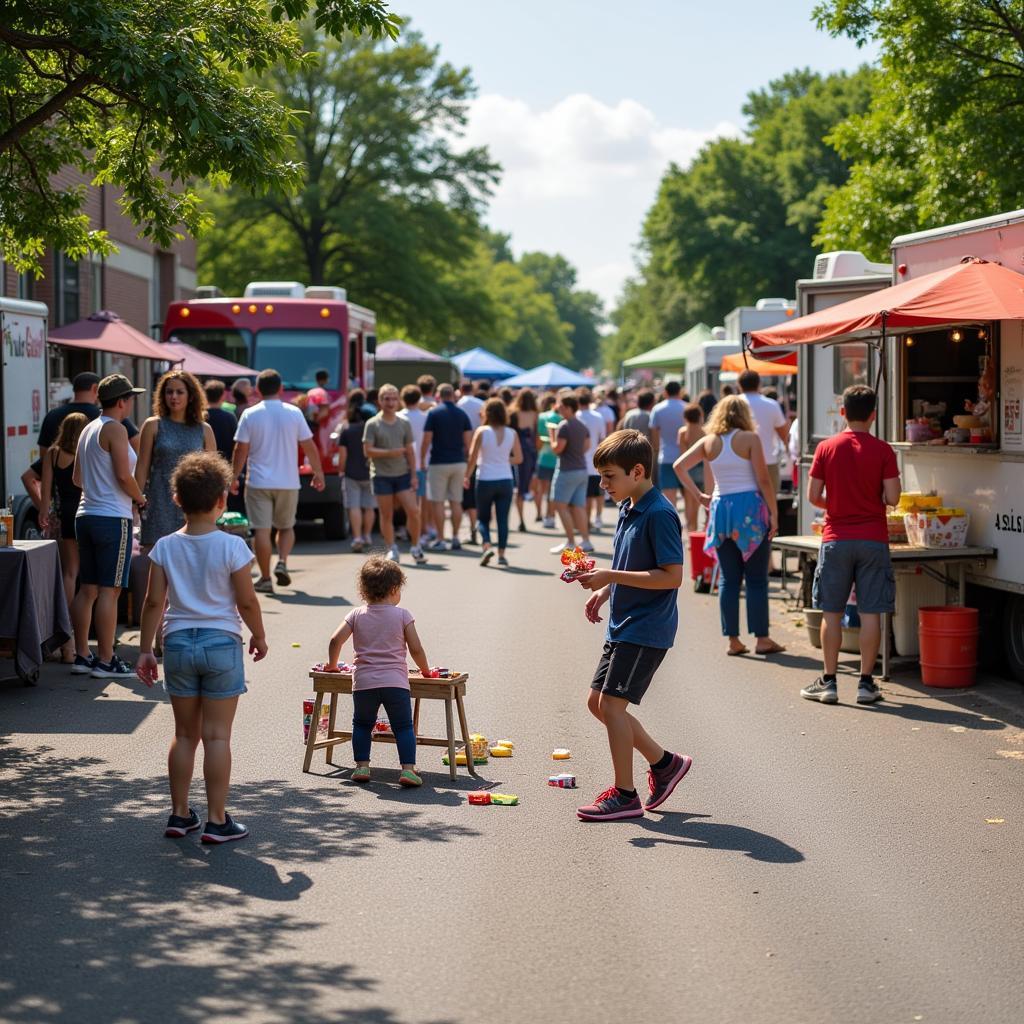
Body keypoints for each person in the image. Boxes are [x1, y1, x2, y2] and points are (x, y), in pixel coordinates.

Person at [136, 451, 267, 844]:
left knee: (184, 734)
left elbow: (153, 603)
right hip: (220, 644)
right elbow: (246, 601)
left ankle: (178, 815)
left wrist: (145, 649)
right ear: (222, 501)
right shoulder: (232, 548)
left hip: (177, 643)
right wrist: (259, 635)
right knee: (216, 737)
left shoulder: (164, 547)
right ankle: (215, 819)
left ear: (176, 499)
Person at [573, 429, 691, 821]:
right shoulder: (630, 505)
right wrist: (604, 590)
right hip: (624, 624)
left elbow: (671, 576)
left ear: (637, 471)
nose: (602, 484)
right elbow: (630, 563)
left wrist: (610, 577)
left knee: (611, 705)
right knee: (599, 704)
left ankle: (625, 795)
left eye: (609, 476)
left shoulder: (659, 513)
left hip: (646, 628)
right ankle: (665, 763)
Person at [801, 385, 901, 706]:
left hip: (836, 539)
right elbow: (893, 498)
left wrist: (837, 502)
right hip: (873, 539)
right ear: (874, 414)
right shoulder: (884, 451)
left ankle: (829, 681)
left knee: (833, 612)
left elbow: (813, 496)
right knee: (871, 612)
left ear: (842, 412)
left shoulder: (826, 448)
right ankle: (866, 684)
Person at [674, 395, 785, 658]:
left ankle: (733, 640)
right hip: (749, 508)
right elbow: (763, 479)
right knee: (757, 578)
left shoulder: (709, 441)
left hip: (721, 509)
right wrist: (774, 513)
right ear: (744, 414)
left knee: (728, 578)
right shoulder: (750, 438)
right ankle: (762, 638)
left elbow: (679, 466)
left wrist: (699, 494)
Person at [326, 556, 430, 788]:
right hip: (395, 683)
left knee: (362, 724)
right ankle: (408, 770)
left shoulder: (355, 615)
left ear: (363, 590)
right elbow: (416, 648)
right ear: (394, 589)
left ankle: (362, 766)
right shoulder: (403, 615)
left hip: (363, 683)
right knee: (403, 726)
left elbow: (335, 641)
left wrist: (333, 665)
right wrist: (425, 671)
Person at [70, 374, 148, 678]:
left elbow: (77, 478)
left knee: (87, 589)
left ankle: (81, 654)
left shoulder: (88, 427)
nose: (130, 404)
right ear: (121, 401)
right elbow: (123, 475)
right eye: (130, 399)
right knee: (110, 591)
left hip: (85, 514)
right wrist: (140, 499)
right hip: (112, 517)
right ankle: (105, 659)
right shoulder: (115, 429)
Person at [232, 368, 326, 593]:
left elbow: (240, 449)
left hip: (258, 482)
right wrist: (318, 472)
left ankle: (265, 578)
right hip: (288, 481)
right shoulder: (294, 412)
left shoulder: (250, 414)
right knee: (286, 527)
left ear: (257, 390)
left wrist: (233, 477)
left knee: (261, 531)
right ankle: (282, 560)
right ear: (281, 389)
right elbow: (309, 444)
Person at [135, 371, 216, 552]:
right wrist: (135, 502)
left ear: (191, 396)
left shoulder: (204, 429)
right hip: (158, 501)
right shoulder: (152, 425)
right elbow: (142, 468)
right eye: (169, 392)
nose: (173, 397)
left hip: (194, 503)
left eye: (180, 392)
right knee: (154, 559)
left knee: (191, 560)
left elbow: (214, 473)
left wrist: (215, 506)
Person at [39, 412, 88, 662]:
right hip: (83, 511)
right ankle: (77, 635)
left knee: (69, 572)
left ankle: (64, 629)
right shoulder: (85, 451)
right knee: (86, 576)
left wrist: (43, 513)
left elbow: (45, 488)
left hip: (62, 514)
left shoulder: (53, 453)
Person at [362, 383, 425, 564]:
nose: (390, 403)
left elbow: (410, 451)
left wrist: (414, 475)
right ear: (380, 401)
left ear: (399, 400)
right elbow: (368, 451)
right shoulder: (372, 424)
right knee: (386, 514)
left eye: (393, 399)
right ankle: (392, 548)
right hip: (381, 475)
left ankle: (416, 546)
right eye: (386, 399)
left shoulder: (404, 423)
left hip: (403, 474)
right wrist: (390, 453)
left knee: (413, 511)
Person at [465, 398, 523, 567]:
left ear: (487, 413)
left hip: (485, 479)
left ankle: (487, 545)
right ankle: (502, 554)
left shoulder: (482, 431)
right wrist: (503, 459)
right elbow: (519, 458)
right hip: (505, 478)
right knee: (503, 519)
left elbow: (472, 458)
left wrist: (467, 476)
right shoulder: (512, 433)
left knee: (482, 518)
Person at [422, 383, 473, 551]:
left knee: (438, 502)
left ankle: (441, 538)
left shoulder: (434, 413)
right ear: (453, 395)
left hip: (438, 461)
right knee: (456, 501)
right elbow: (468, 443)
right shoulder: (462, 414)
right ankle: (456, 537)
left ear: (439, 395)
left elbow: (427, 439)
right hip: (458, 462)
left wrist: (422, 458)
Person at [548, 392, 593, 554]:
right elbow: (586, 447)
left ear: (568, 407)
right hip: (581, 469)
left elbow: (557, 448)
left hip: (567, 470)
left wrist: (551, 435)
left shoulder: (564, 425)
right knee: (579, 506)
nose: (558, 408)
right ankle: (585, 540)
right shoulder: (582, 425)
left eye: (560, 406)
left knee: (560, 505)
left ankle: (571, 541)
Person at [739, 369, 789, 495]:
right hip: (768, 461)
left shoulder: (733, 404)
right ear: (759, 384)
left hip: (740, 463)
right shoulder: (772, 405)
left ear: (739, 385)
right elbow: (784, 435)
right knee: (768, 505)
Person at [399, 385, 435, 545]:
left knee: (404, 502)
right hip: (423, 464)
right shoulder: (426, 417)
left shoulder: (398, 417)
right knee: (420, 502)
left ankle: (409, 530)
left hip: (401, 465)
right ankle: (421, 531)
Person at [338, 406, 375, 552]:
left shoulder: (347, 432)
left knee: (354, 506)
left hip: (351, 473)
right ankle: (367, 535)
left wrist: (341, 470)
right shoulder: (374, 430)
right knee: (369, 506)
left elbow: (342, 456)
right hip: (370, 472)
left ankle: (357, 537)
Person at [649, 380, 687, 508]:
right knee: (689, 497)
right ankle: (691, 525)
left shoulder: (657, 409)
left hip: (665, 457)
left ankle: (673, 526)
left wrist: (656, 450)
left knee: (669, 499)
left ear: (665, 392)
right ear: (680, 392)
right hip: (686, 457)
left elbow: (655, 436)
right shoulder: (687, 407)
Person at [577, 389, 608, 532]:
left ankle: (587, 521)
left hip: (579, 462)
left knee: (586, 495)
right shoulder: (598, 416)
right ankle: (598, 518)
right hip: (596, 460)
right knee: (598, 493)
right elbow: (603, 439)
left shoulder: (576, 417)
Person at [509, 388, 538, 532]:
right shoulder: (534, 414)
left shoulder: (514, 413)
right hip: (531, 452)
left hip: (517, 450)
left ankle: (521, 519)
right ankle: (526, 515)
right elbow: (536, 436)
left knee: (519, 488)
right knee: (525, 486)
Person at [676, 403, 707, 534]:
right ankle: (703, 531)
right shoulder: (705, 431)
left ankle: (691, 532)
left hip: (689, 470)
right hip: (703, 469)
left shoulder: (683, 432)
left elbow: (683, 454)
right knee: (703, 502)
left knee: (689, 502)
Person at [535, 393, 561, 529]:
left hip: (543, 457)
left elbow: (538, 439)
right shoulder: (561, 418)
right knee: (552, 490)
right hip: (557, 458)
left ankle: (539, 513)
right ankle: (550, 516)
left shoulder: (541, 417)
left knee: (540, 489)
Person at [204, 380, 238, 464]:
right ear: (223, 396)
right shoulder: (230, 418)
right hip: (225, 466)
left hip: (204, 465)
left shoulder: (200, 417)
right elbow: (235, 443)